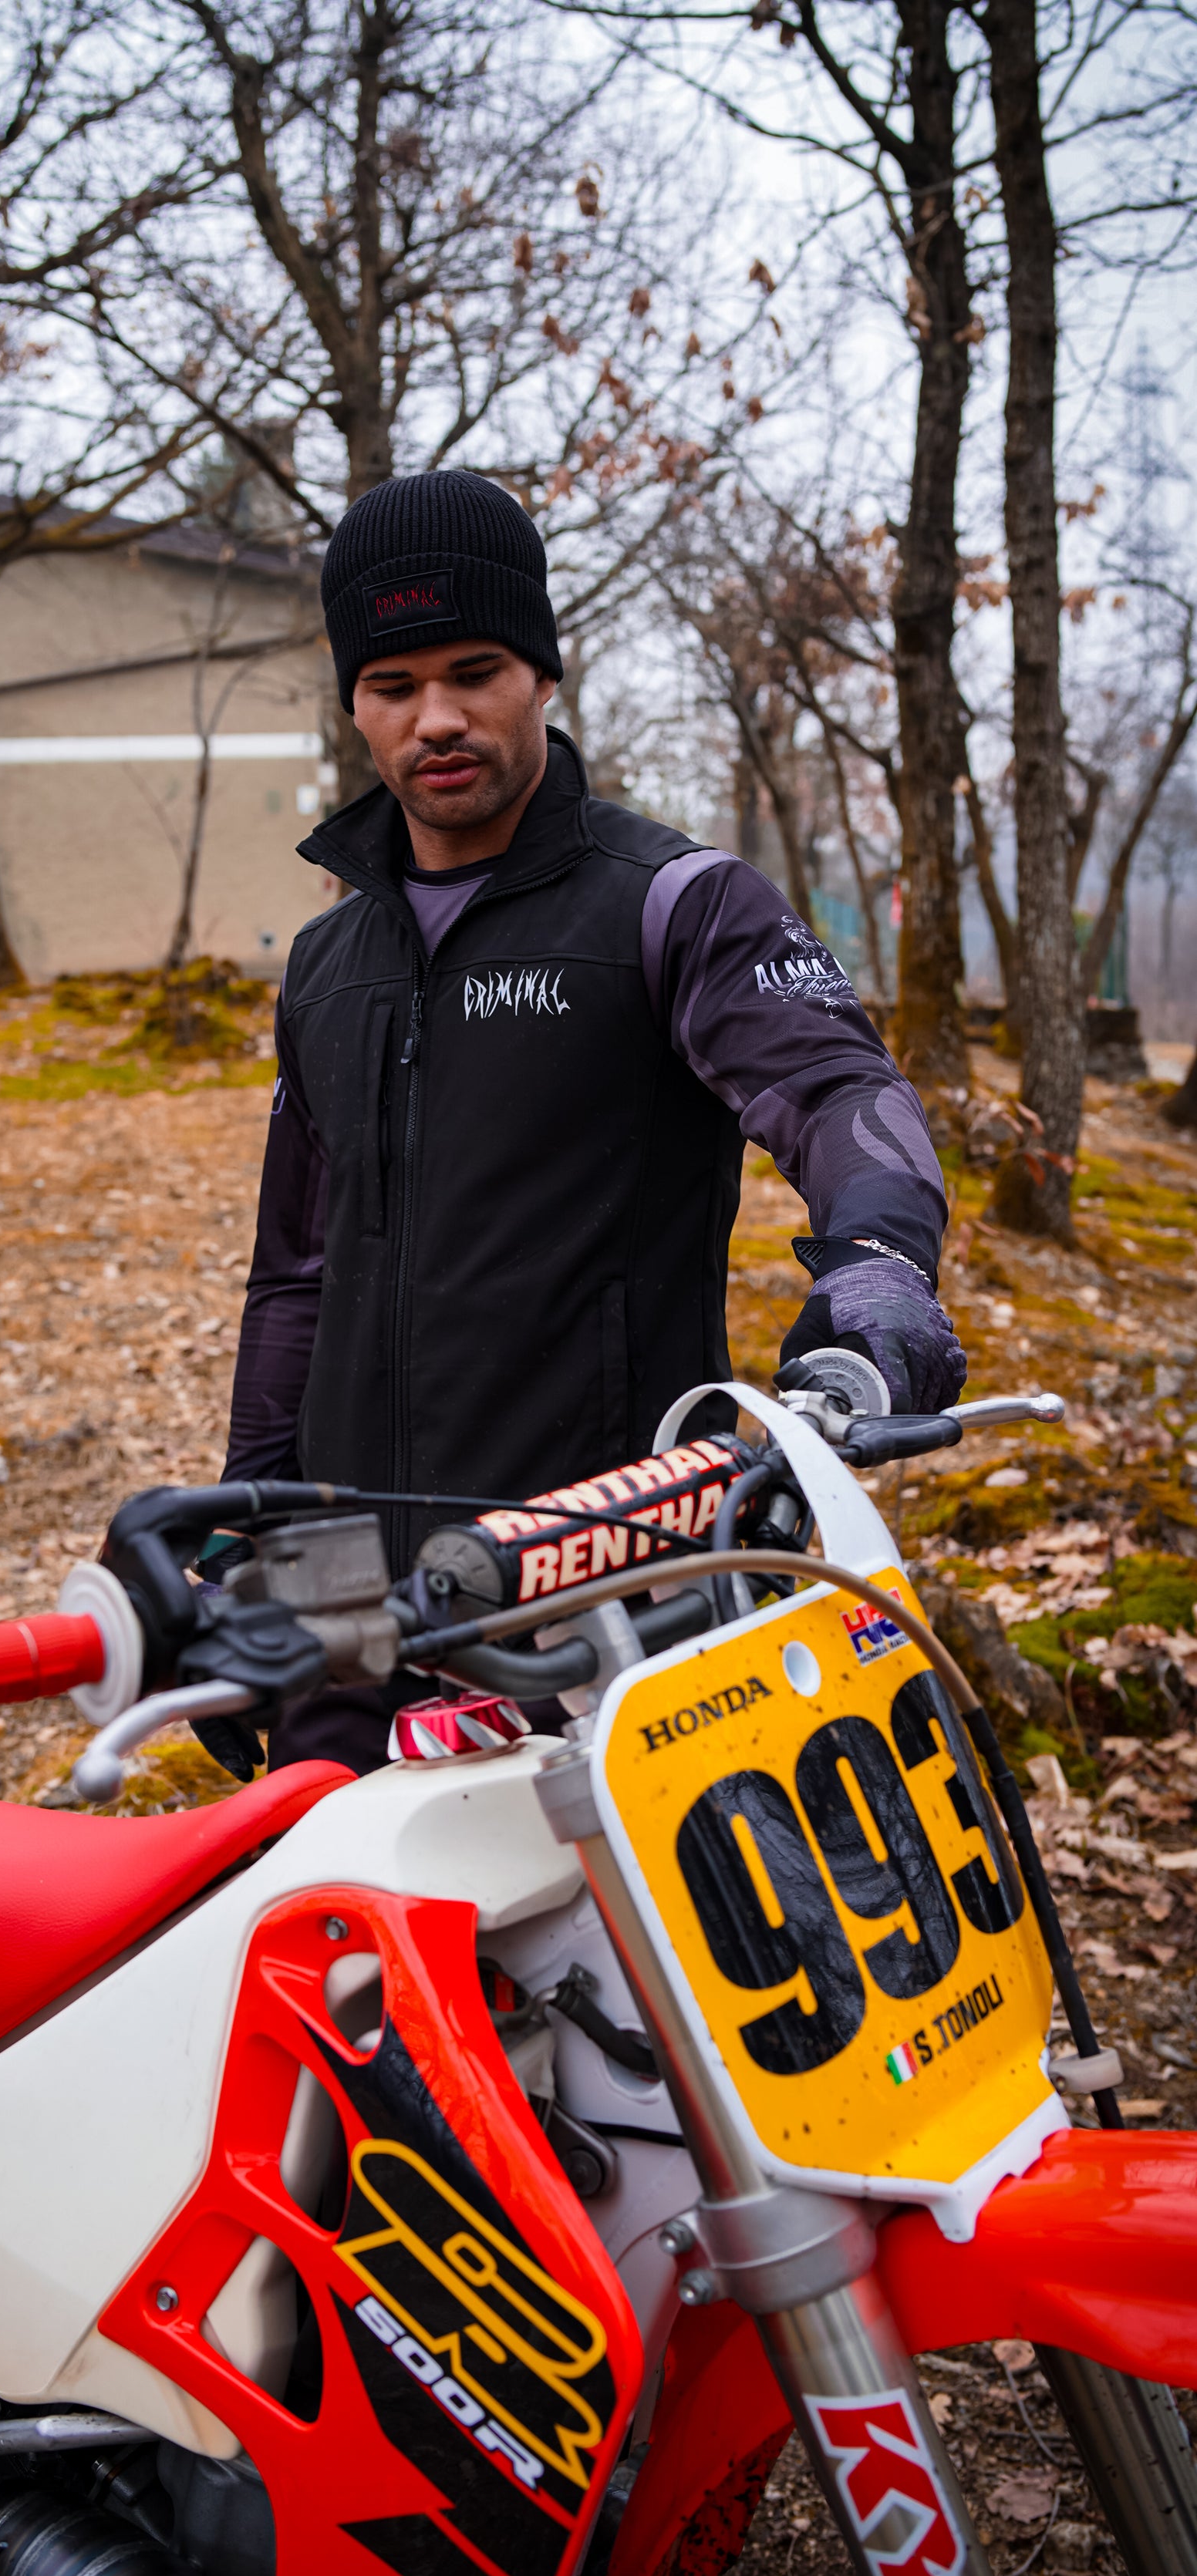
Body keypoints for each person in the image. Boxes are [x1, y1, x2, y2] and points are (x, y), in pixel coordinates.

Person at [216, 469, 965, 1773]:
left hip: (610, 1575)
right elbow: (295, 1270)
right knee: (333, 1892)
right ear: (353, 703)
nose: (436, 719)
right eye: (392, 686)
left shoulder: (674, 904)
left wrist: (879, 1267)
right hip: (345, 1583)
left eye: (475, 672)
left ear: (543, 675)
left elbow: (840, 1092)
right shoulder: (326, 963)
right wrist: (242, 1515)